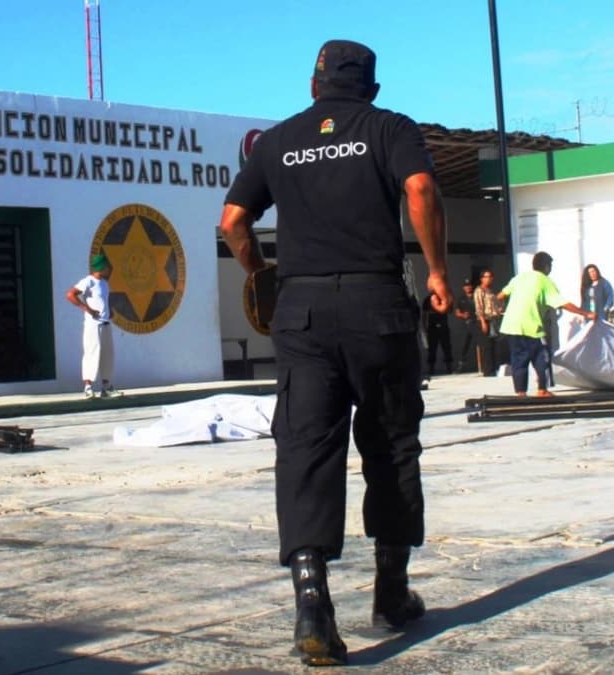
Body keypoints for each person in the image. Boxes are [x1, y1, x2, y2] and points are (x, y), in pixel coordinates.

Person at [217, 39, 451, 667]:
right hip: (377, 305)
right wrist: (436, 272)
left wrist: (260, 272)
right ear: (370, 88)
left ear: (314, 82)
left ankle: (312, 606)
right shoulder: (388, 128)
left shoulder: (278, 140)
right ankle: (392, 593)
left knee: (306, 450)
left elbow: (234, 219)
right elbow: (423, 189)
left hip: (303, 312)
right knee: (391, 444)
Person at [497, 252, 595, 397]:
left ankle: (521, 393)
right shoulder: (545, 281)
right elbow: (561, 303)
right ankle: (542, 389)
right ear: (546, 266)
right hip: (531, 326)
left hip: (511, 326)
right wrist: (586, 313)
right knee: (541, 358)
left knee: (518, 359)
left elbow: (501, 295)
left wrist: (501, 308)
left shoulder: (520, 277)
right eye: (550, 266)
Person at [65, 253, 121, 398]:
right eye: (107, 266)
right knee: (91, 353)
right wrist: (87, 309)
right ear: (101, 267)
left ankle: (106, 387)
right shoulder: (88, 281)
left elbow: (104, 301)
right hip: (93, 325)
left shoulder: (104, 283)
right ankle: (88, 387)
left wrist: (110, 311)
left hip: (105, 323)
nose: (109, 269)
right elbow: (70, 294)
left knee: (108, 355)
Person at [473, 269, 504, 377]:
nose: (489, 279)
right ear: (482, 278)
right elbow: (479, 307)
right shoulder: (479, 290)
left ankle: (495, 368)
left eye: (491, 276)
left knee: (495, 345)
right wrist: (482, 322)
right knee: (486, 346)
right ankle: (488, 371)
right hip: (485, 319)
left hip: (494, 319)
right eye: (487, 276)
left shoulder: (490, 291)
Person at [421, 290, 453, 378]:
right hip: (432, 328)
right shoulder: (427, 300)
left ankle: (449, 368)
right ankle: (431, 369)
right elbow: (424, 315)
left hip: (443, 326)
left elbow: (450, 309)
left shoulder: (443, 297)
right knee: (432, 349)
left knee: (446, 347)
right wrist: (424, 327)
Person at [454, 278, 477, 372]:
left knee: (480, 344)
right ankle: (460, 366)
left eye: (469, 285)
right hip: (466, 324)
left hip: (476, 323)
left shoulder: (477, 296)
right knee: (464, 346)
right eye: (466, 286)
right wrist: (463, 315)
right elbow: (457, 312)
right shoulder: (461, 299)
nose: (468, 287)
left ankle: (483, 365)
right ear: (464, 288)